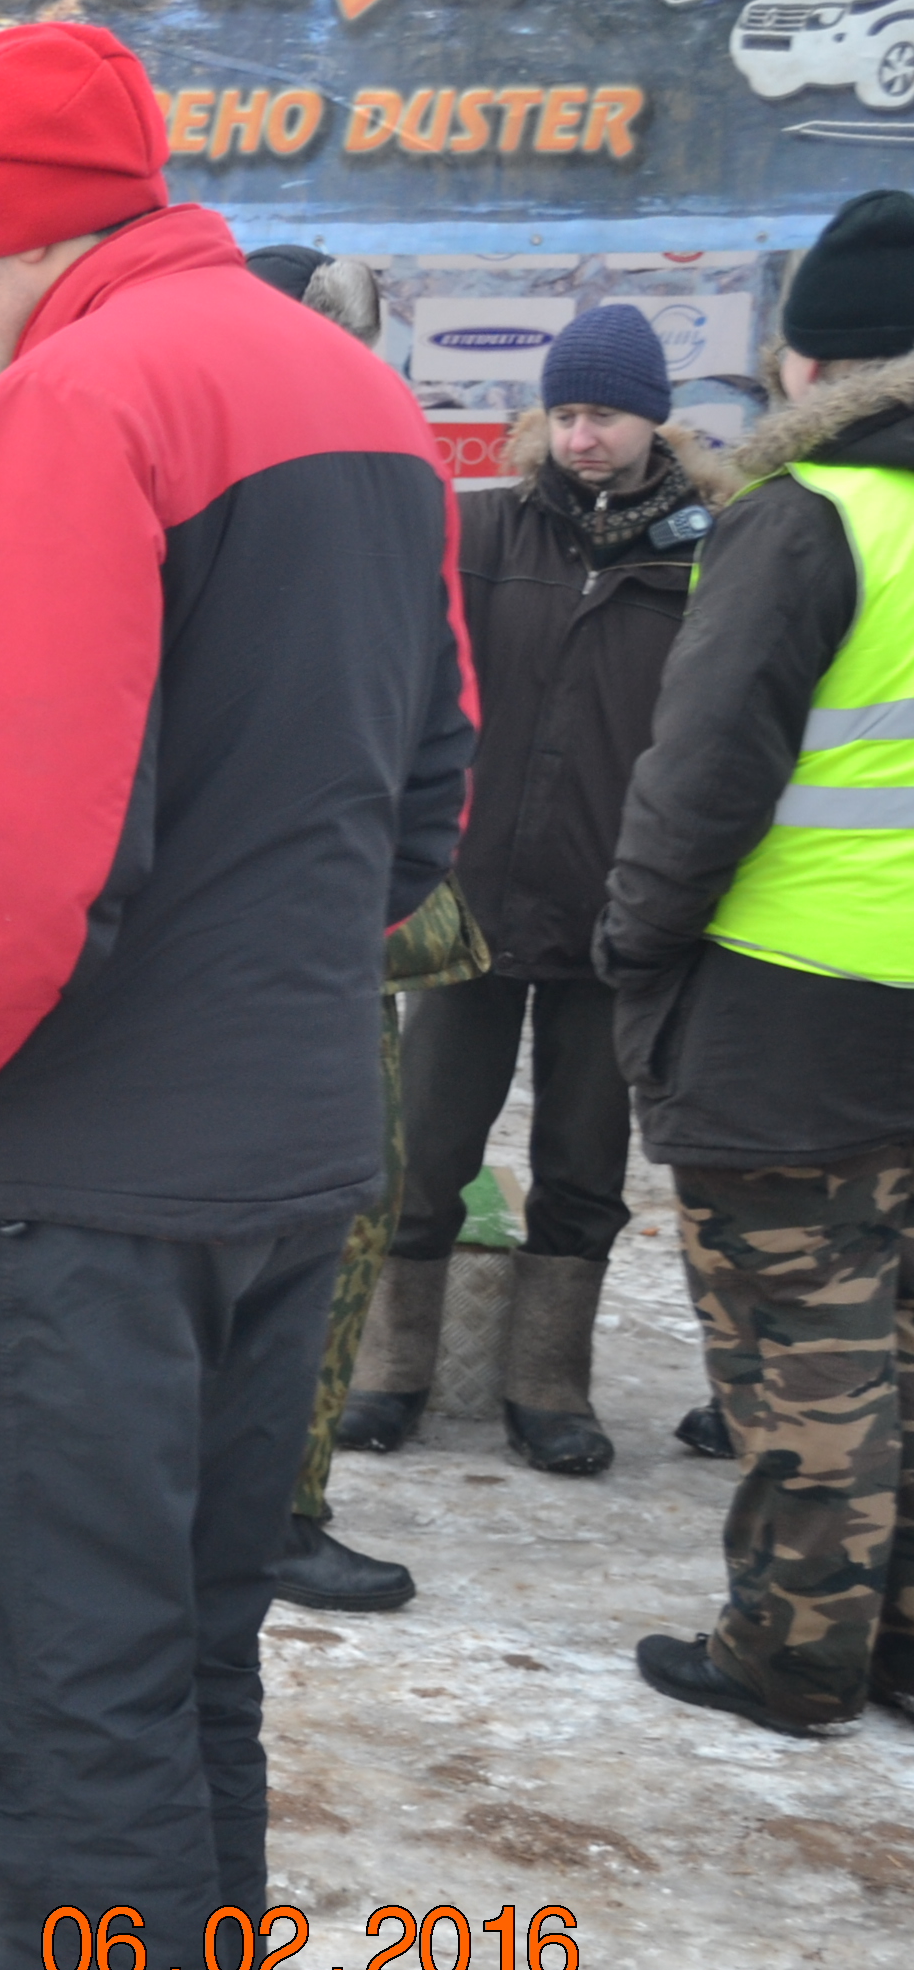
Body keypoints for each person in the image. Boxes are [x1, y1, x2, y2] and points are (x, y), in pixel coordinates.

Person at [0, 26, 470, 1970]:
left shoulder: (73, 402)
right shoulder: (359, 396)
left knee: (68, 1728)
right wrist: (256, 983)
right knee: (192, 1687)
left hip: (81, 1193)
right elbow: (425, 803)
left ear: (18, 231)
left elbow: (11, 858)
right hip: (293, 1148)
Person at [605, 188, 914, 1737]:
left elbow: (704, 774)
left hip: (794, 1002)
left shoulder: (810, 518)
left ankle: (791, 1657)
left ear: (811, 363)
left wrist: (635, 946)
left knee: (813, 1356)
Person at [340, 304, 727, 1477]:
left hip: (618, 908)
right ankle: (389, 1369)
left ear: (652, 418)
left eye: (602, 415)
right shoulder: (478, 530)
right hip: (469, 900)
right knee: (425, 1151)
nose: (580, 437)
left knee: (584, 1161)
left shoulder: (708, 554)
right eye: (564, 414)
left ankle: (549, 1384)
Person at [237, 244, 490, 1619]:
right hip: (243, 946)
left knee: (339, 1227)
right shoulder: (225, 491)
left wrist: (393, 887)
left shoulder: (375, 485)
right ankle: (243, 1512)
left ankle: (277, 1506)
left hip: (338, 934)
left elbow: (431, 710)